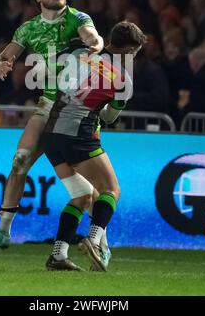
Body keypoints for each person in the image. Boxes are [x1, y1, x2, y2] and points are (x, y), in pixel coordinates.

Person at [0, 0, 104, 251]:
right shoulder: (29, 28)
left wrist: (94, 45)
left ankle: (100, 241)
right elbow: (4, 56)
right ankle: (3, 231)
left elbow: (92, 36)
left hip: (77, 108)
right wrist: (0, 63)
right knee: (20, 161)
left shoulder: (78, 18)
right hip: (48, 103)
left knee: (89, 181)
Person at [43, 21, 147, 271]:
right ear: (131, 50)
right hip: (78, 134)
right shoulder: (123, 80)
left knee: (82, 195)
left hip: (50, 133)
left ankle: (58, 255)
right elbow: (110, 118)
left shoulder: (80, 53)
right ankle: (93, 239)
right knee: (111, 189)